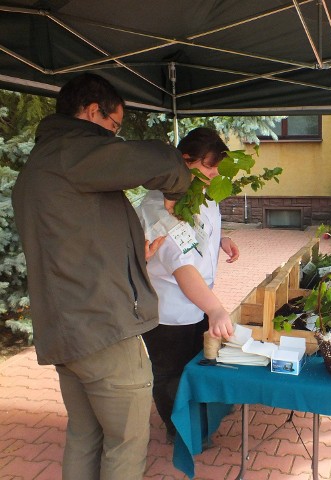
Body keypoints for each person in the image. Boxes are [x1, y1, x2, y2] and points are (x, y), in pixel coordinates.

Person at [11, 73, 192, 479]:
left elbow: (70, 248)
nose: (114, 140)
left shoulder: (39, 168)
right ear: (93, 113)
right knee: (126, 443)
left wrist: (130, 255)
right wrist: (181, 181)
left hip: (66, 333)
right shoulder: (72, 152)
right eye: (113, 128)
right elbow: (161, 161)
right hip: (102, 331)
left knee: (84, 434)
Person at [137, 127, 238, 444]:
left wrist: (220, 238)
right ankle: (176, 428)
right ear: (184, 160)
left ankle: (198, 411)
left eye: (217, 168)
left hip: (197, 301)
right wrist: (216, 308)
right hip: (169, 310)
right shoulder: (159, 208)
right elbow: (182, 267)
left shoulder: (198, 192)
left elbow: (200, 231)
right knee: (170, 372)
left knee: (197, 360)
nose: (213, 174)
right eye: (208, 166)